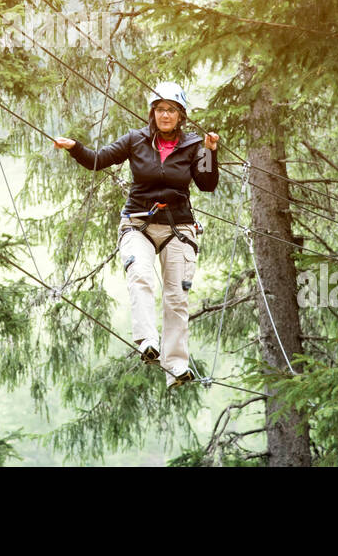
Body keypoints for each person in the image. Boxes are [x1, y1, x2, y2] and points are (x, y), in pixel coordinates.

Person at [54, 82, 219, 387]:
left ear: (181, 115)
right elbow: (97, 160)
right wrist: (74, 147)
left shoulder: (194, 145)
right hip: (138, 222)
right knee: (140, 276)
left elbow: (207, 183)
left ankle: (177, 367)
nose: (165, 115)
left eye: (171, 109)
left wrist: (209, 152)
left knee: (176, 297)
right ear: (152, 113)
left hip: (178, 227)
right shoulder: (135, 140)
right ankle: (147, 343)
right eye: (160, 109)